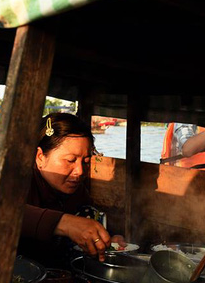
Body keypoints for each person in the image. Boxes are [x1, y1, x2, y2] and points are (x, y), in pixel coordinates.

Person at [19, 113, 125, 269]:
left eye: (86, 161)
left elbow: (91, 220)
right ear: (40, 157)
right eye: (70, 160)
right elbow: (2, 212)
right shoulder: (17, 182)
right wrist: (64, 223)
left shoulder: (77, 192)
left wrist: (108, 239)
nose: (80, 171)